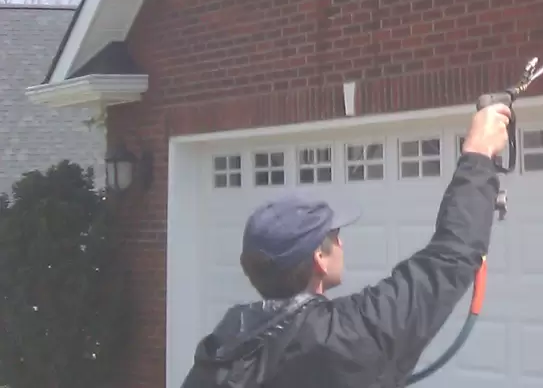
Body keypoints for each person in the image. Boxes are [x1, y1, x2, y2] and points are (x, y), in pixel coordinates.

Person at [179, 102, 511, 388]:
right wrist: (478, 155)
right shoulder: (345, 338)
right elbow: (448, 259)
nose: (341, 240)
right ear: (320, 258)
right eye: (334, 234)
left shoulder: (220, 353)